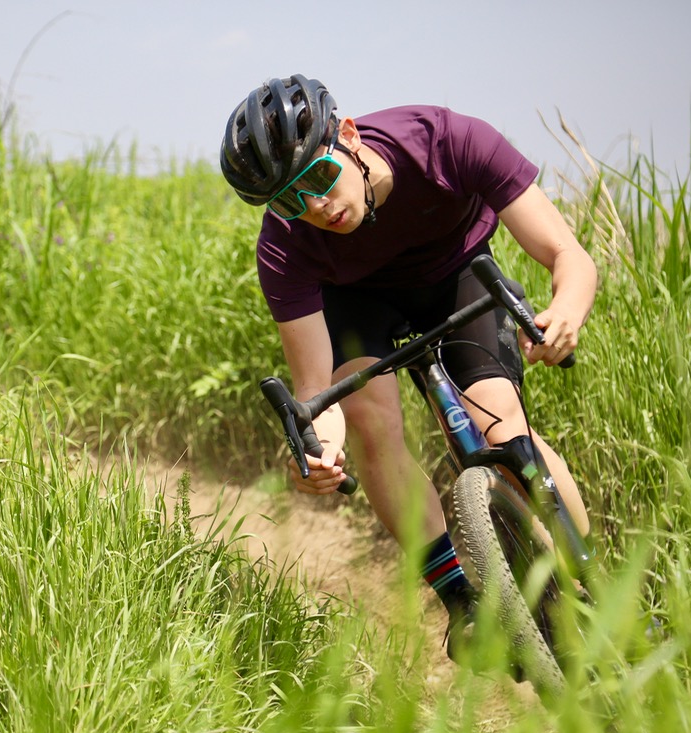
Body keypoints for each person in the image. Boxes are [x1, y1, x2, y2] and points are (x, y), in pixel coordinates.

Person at [218, 75, 597, 659]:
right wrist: (319, 449)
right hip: (357, 303)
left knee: (501, 425)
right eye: (291, 200)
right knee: (370, 423)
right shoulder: (284, 247)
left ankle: (589, 581)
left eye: (318, 178)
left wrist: (566, 311)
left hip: (458, 277)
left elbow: (568, 255)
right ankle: (460, 600)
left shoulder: (447, 141)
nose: (315, 207)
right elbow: (317, 391)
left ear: (347, 135)